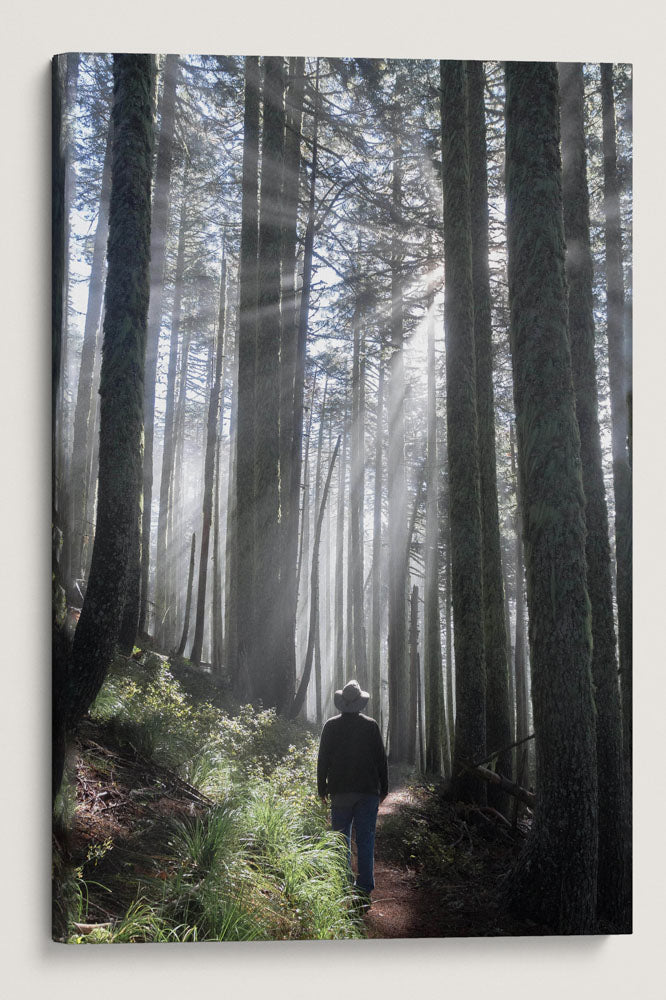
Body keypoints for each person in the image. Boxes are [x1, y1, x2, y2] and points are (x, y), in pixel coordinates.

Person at [317, 679, 389, 903]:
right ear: (359, 702)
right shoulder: (371, 726)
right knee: (366, 840)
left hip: (340, 792)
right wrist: (383, 788)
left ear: (342, 703)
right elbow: (381, 761)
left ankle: (342, 883)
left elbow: (323, 761)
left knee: (341, 840)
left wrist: (322, 788)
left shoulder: (330, 726)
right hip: (367, 792)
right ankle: (364, 889)